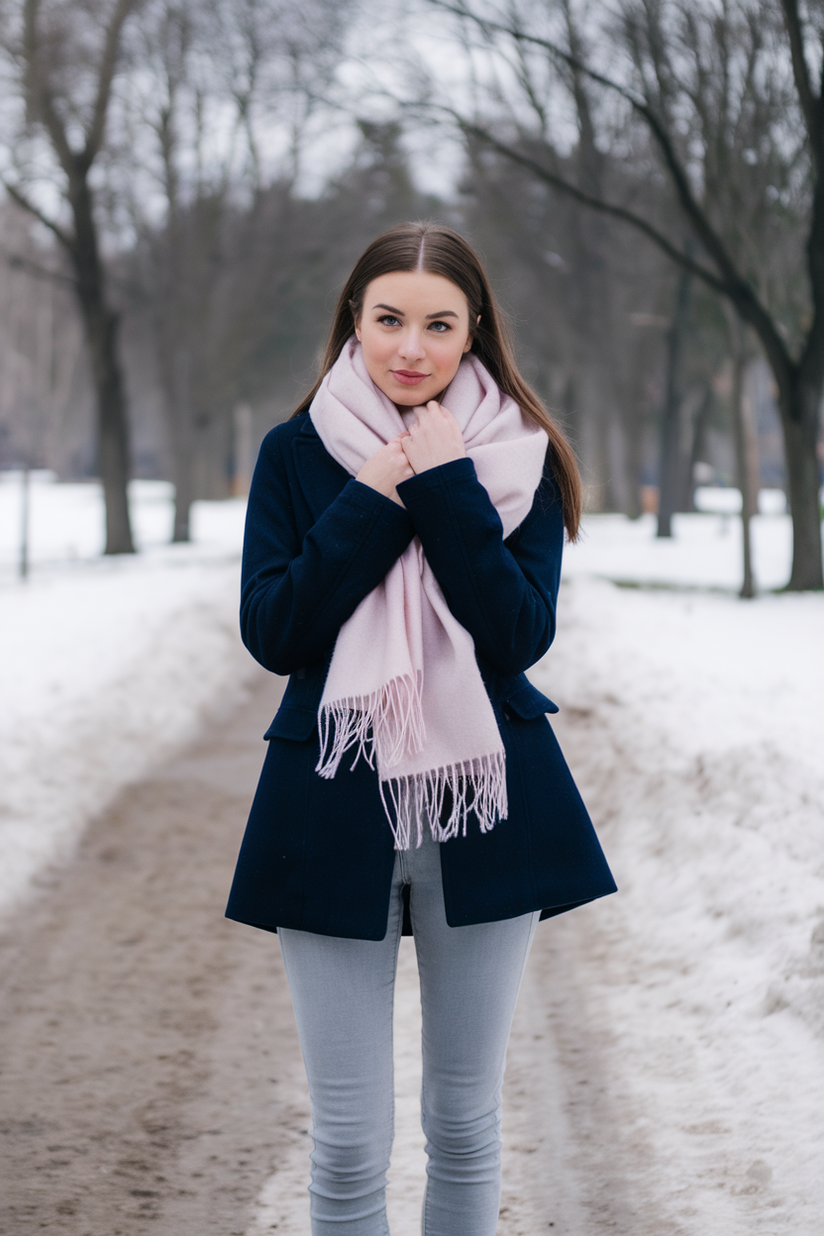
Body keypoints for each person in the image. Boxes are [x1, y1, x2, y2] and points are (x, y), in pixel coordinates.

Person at [226, 221, 616, 1235]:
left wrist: (446, 489)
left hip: (486, 810)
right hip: (328, 805)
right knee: (349, 1139)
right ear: (351, 325)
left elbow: (515, 634)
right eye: (387, 319)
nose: (411, 346)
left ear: (473, 331)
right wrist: (374, 495)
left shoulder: (515, 457)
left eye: (437, 324)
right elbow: (275, 631)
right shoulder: (294, 455)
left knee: (463, 1122)